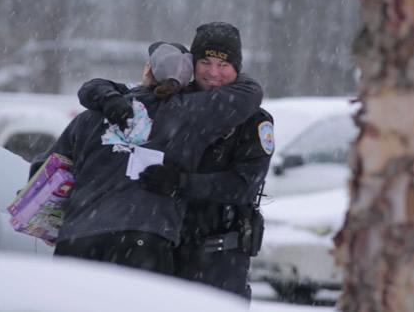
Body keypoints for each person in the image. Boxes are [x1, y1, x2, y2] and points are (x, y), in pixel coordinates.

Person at [31, 41, 263, 276]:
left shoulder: (93, 115)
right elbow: (250, 94)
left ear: (148, 69)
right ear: (186, 79)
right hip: (144, 240)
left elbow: (43, 169)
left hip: (77, 239)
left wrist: (103, 93)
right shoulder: (192, 115)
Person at [78, 22, 274, 299]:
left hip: (219, 257)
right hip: (161, 249)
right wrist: (108, 97)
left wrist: (181, 183)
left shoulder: (253, 120)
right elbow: (94, 88)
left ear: (237, 68)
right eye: (205, 62)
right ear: (191, 64)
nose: (214, 73)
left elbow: (244, 186)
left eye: (224, 65)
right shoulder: (171, 98)